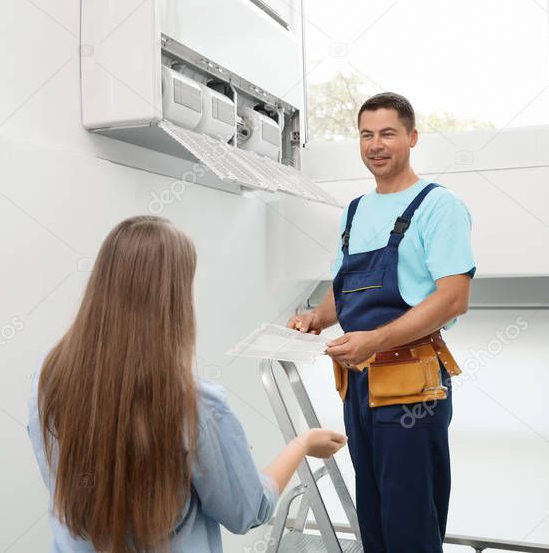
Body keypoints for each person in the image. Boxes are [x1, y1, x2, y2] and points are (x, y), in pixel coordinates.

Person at [28, 215, 347, 552]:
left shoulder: (47, 381)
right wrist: (303, 444)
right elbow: (248, 512)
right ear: (174, 299)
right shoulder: (194, 403)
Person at [288, 92, 476, 553]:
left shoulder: (439, 206)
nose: (376, 144)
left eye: (388, 133)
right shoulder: (355, 210)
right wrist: (317, 316)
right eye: (366, 134)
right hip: (359, 384)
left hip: (413, 386)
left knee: (409, 519)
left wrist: (376, 339)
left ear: (412, 138)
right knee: (372, 516)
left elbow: (453, 299)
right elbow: (346, 286)